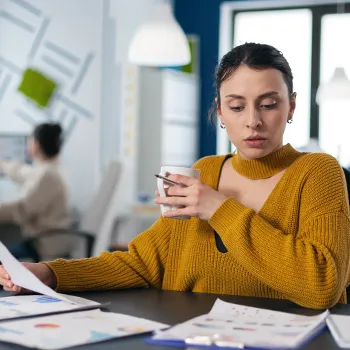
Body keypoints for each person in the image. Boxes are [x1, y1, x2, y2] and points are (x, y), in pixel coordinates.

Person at [1, 43, 350, 309]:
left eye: (269, 104)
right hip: (193, 337)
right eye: (237, 106)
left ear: (292, 105)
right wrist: (51, 273)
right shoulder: (206, 170)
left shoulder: (318, 171)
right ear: (220, 110)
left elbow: (321, 285)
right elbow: (143, 263)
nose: (253, 121)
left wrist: (219, 208)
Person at [0, 123, 70, 259]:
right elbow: (23, 172)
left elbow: (21, 210)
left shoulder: (47, 176)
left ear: (36, 144)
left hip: (41, 246)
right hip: (44, 240)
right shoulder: (50, 169)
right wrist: (3, 165)